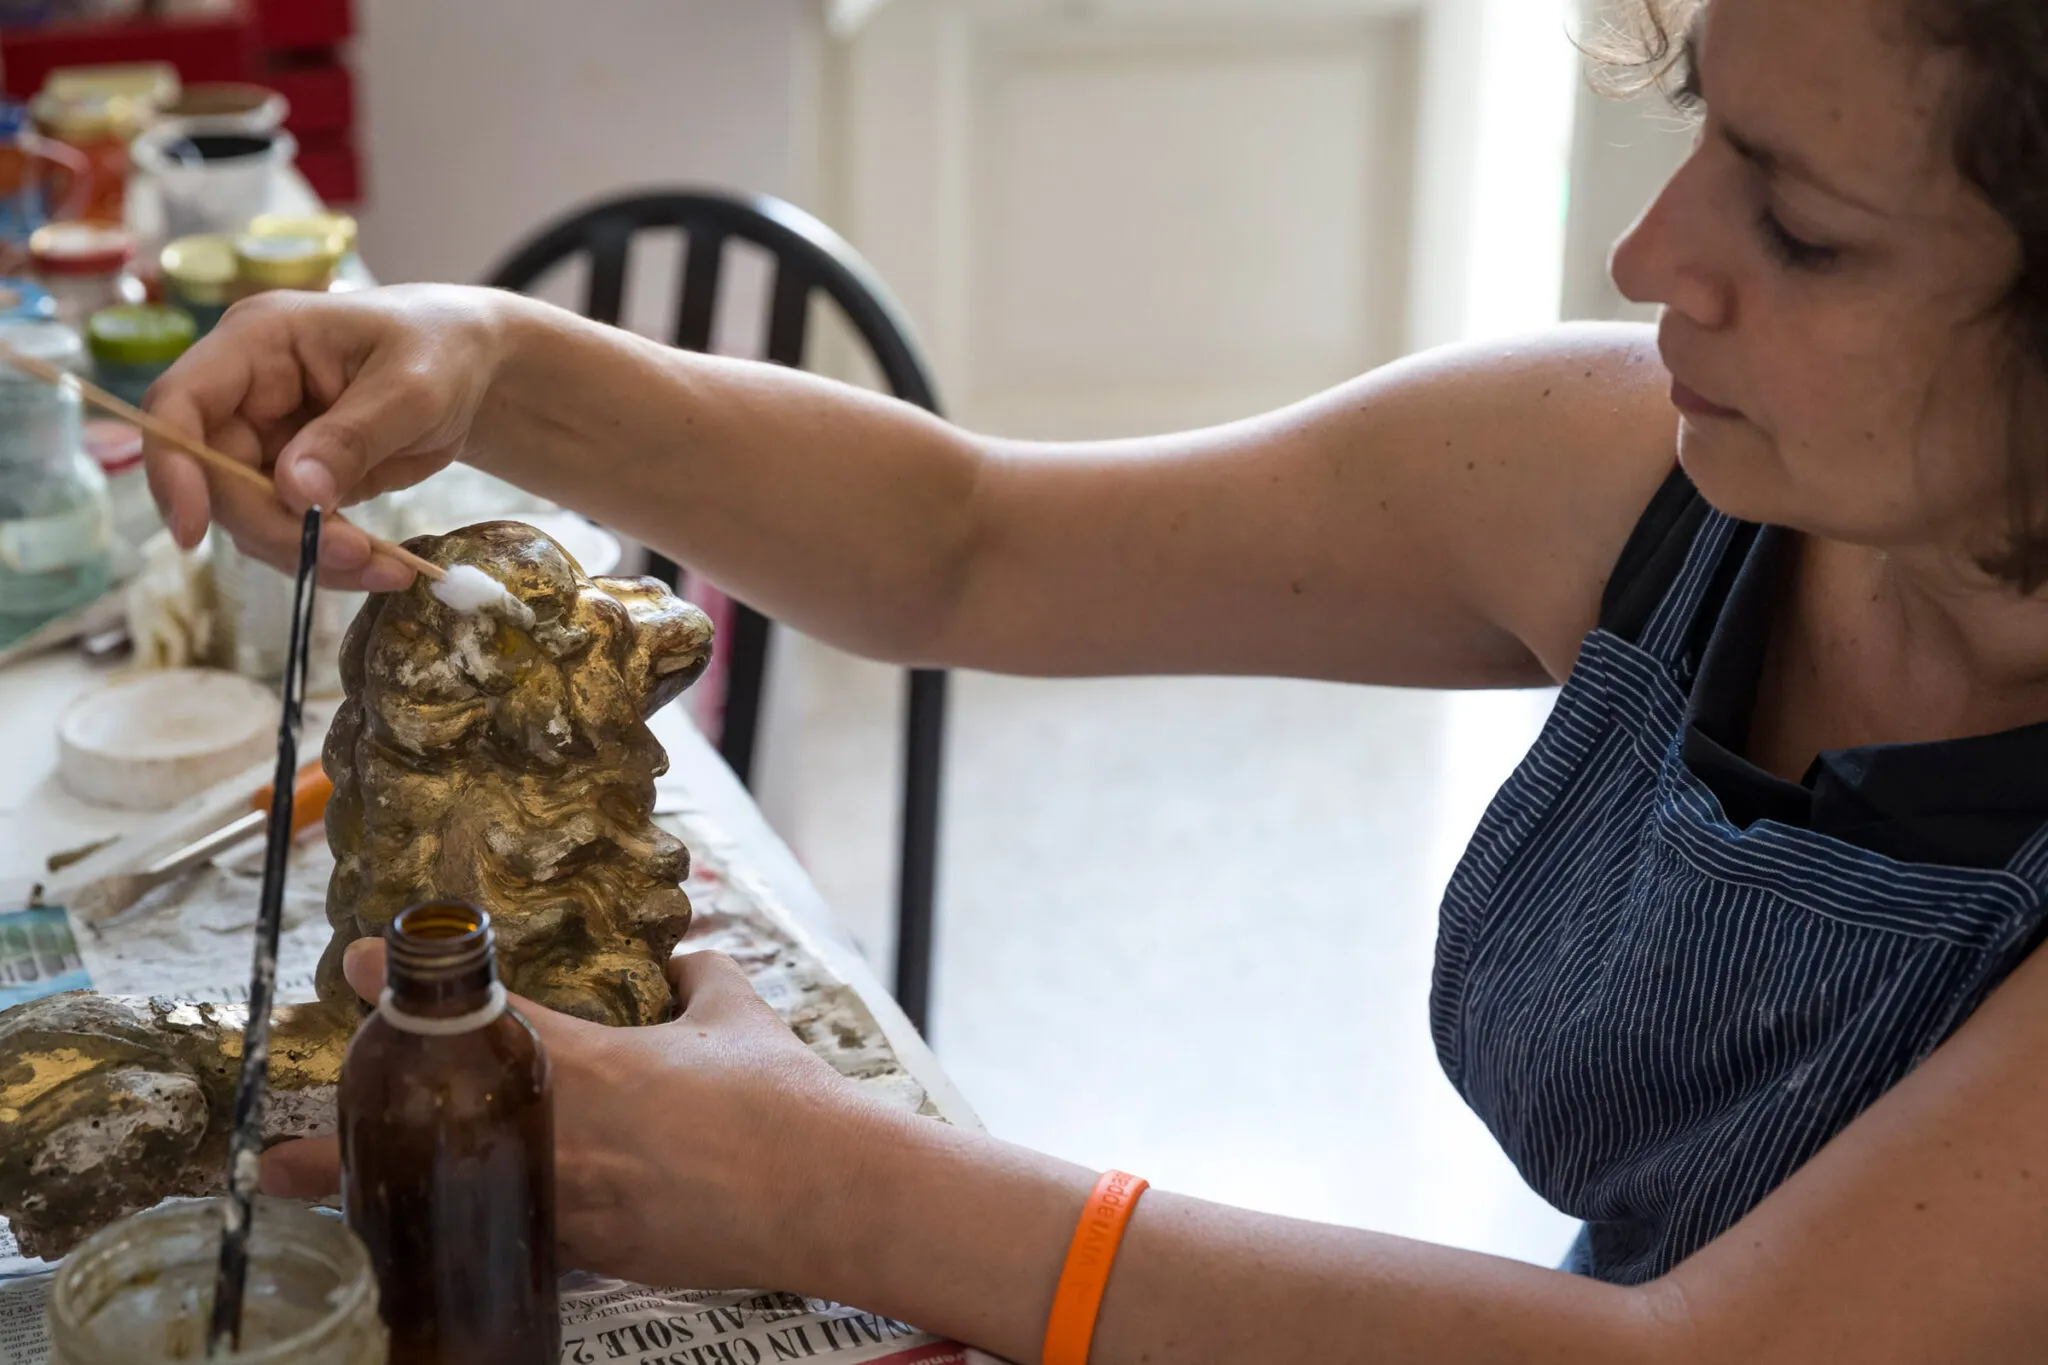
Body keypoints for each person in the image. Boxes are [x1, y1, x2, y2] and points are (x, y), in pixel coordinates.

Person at [145, 0, 2048, 1356]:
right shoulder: (1653, 485)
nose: (1652, 255)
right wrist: (486, 362)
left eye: (1800, 227)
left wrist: (834, 1189)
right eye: (1706, 122)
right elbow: (973, 542)